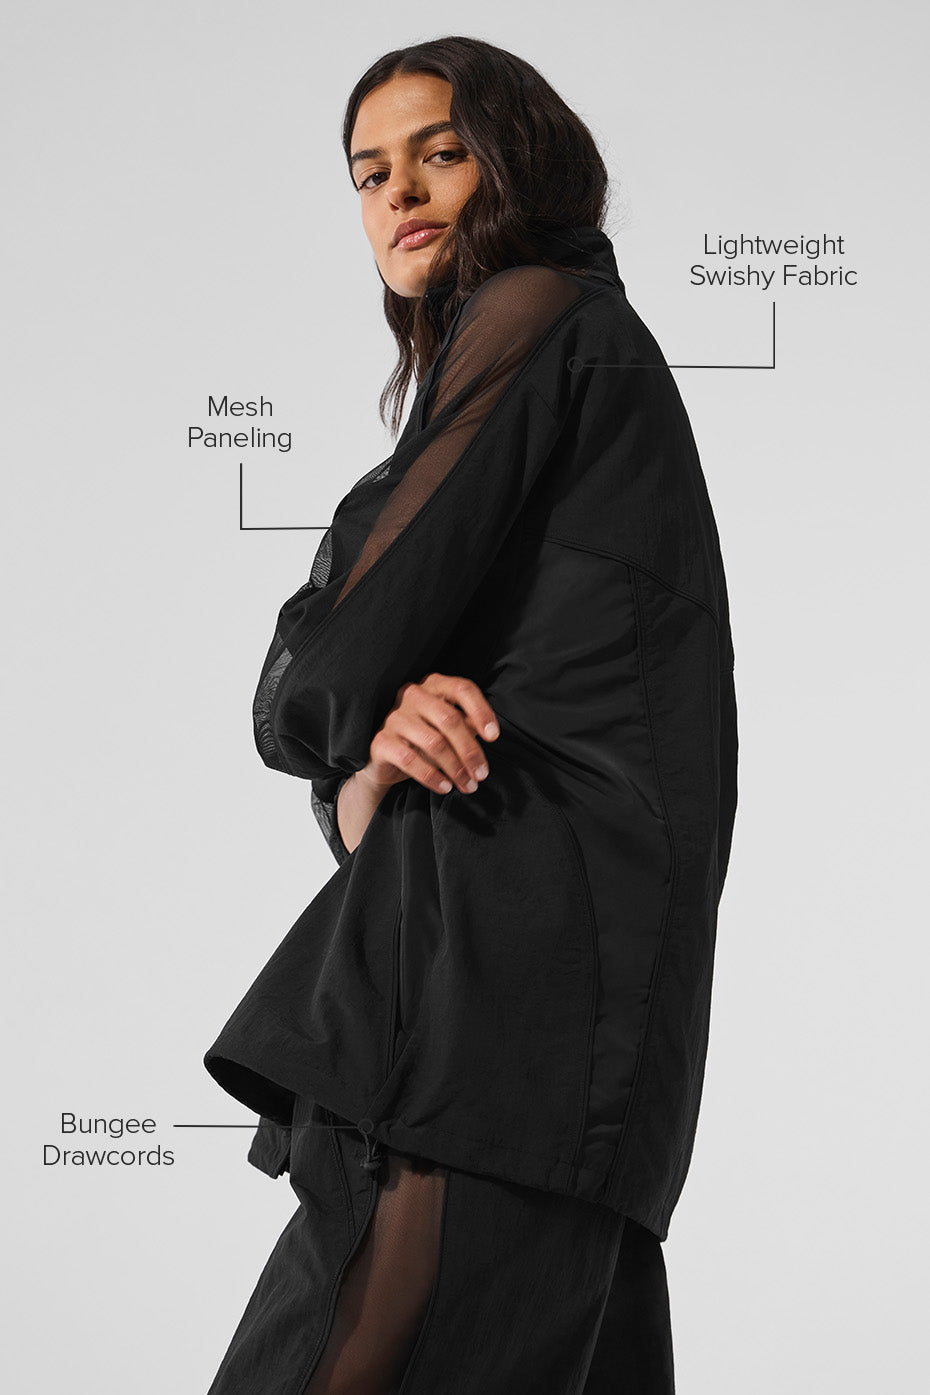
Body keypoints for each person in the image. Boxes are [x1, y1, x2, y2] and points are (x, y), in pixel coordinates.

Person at [203, 34, 737, 1395]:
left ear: (518, 161)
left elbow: (326, 662)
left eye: (439, 152)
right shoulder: (583, 361)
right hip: (593, 1030)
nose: (398, 191)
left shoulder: (541, 316)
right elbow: (385, 713)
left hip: (488, 992)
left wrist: (336, 707)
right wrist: (368, 765)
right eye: (367, 172)